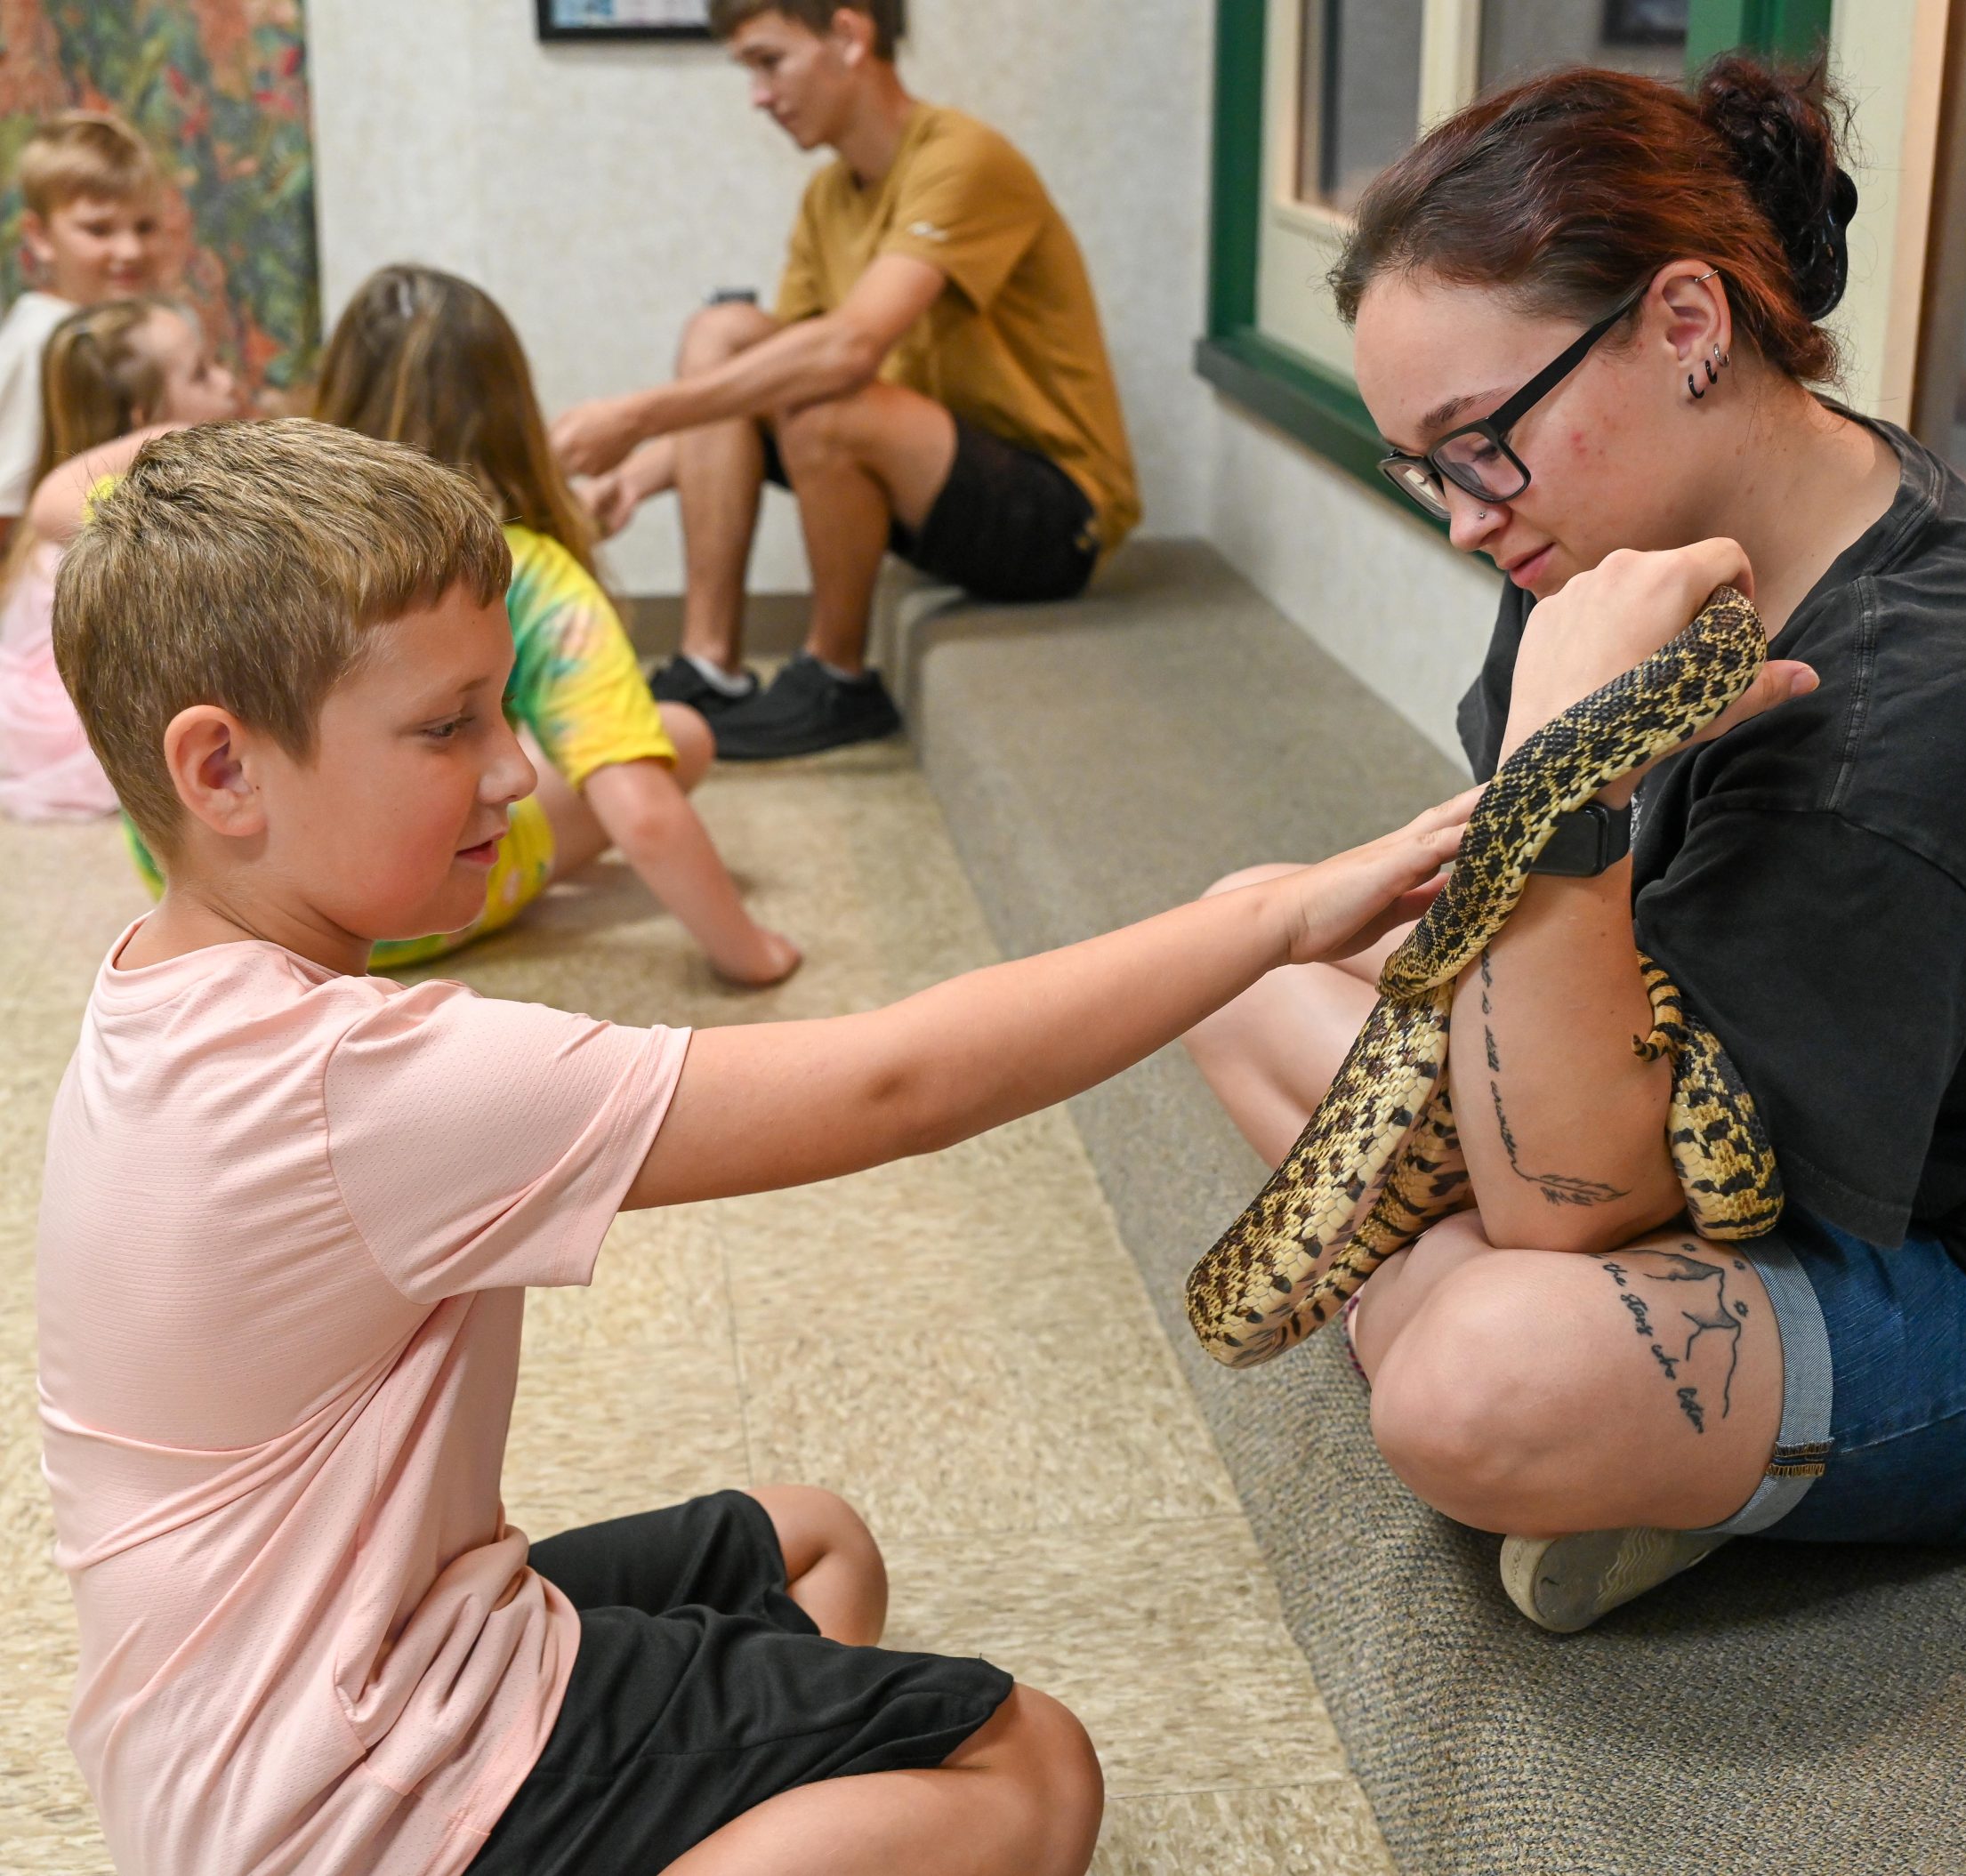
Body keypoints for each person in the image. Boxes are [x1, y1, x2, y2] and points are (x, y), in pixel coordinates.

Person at [38, 418, 1476, 1875]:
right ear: (222, 769)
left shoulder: (159, 993)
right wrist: (1272, 919)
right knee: (1029, 1773)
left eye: (501, 708)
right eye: (448, 725)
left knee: (814, 1546)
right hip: (345, 1797)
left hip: (244, 1741)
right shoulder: (358, 1083)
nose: (514, 767)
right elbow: (898, 1081)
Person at [1183, 55, 1966, 1633]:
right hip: (1673, 1104)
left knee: (1474, 1376)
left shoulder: (1920, 706)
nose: (1466, 516)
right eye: (1426, 466)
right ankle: (1615, 1431)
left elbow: (1578, 1203)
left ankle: (1542, 1389)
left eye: (1480, 441)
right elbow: (1523, 943)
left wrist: (1556, 779)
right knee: (1243, 952)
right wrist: (1545, 808)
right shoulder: (1613, 534)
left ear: (1686, 325)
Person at [552, 0, 1140, 761]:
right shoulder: (827, 198)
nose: (758, 96)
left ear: (850, 36)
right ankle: (709, 667)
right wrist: (630, 481)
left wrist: (636, 415)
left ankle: (838, 675)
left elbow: (849, 352)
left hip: (1054, 518)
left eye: (770, 62)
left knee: (826, 402)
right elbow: (760, 390)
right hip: (927, 485)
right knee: (721, 334)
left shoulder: (965, 160)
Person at [299, 263, 796, 983]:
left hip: (245, 903)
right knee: (678, 734)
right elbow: (643, 814)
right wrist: (750, 952)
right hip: (398, 926)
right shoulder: (526, 575)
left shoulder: (276, 542)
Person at [0, 295, 238, 819]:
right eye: (201, 373)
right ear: (142, 419)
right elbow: (47, 508)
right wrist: (167, 440)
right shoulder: (138, 466)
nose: (227, 381)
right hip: (70, 721)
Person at [0, 111, 164, 545]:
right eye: (99, 229)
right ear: (39, 236)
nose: (130, 250)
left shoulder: (134, 327)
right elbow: (6, 508)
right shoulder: (38, 339)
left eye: (145, 227)